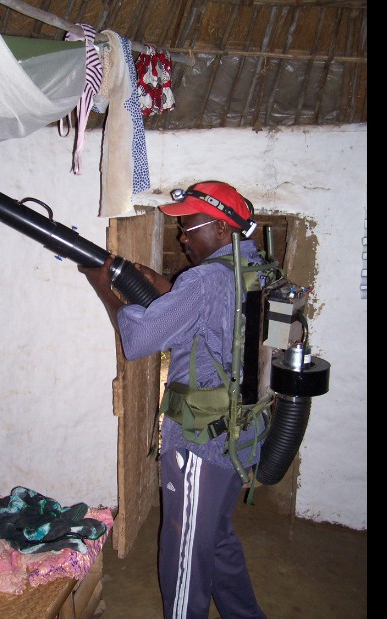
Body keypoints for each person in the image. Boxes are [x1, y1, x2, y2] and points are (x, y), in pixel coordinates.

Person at [79, 180, 269, 619]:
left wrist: (103, 285)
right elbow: (218, 321)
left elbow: (139, 339)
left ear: (222, 229)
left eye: (190, 225)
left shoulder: (203, 281)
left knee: (184, 556)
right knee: (215, 538)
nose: (183, 236)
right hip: (240, 435)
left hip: (202, 442)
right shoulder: (254, 267)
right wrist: (168, 289)